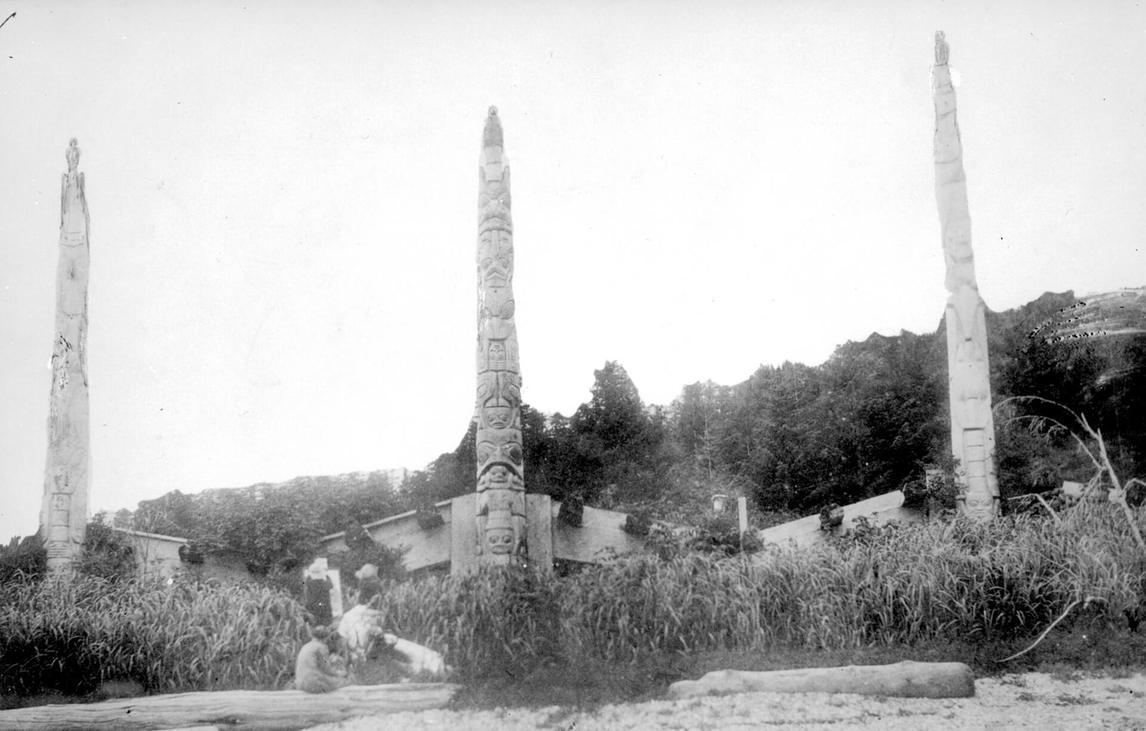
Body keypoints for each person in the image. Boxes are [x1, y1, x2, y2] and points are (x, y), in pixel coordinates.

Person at [294, 625, 350, 693]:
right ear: (326, 637)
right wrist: (339, 674)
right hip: (313, 683)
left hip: (300, 683)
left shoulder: (307, 646)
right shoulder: (321, 647)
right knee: (345, 682)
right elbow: (326, 667)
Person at [302, 558, 333, 626]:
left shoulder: (325, 577)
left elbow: (330, 585)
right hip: (316, 604)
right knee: (316, 622)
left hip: (323, 604)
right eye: (324, 567)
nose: (326, 569)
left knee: (324, 623)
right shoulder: (311, 578)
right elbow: (318, 588)